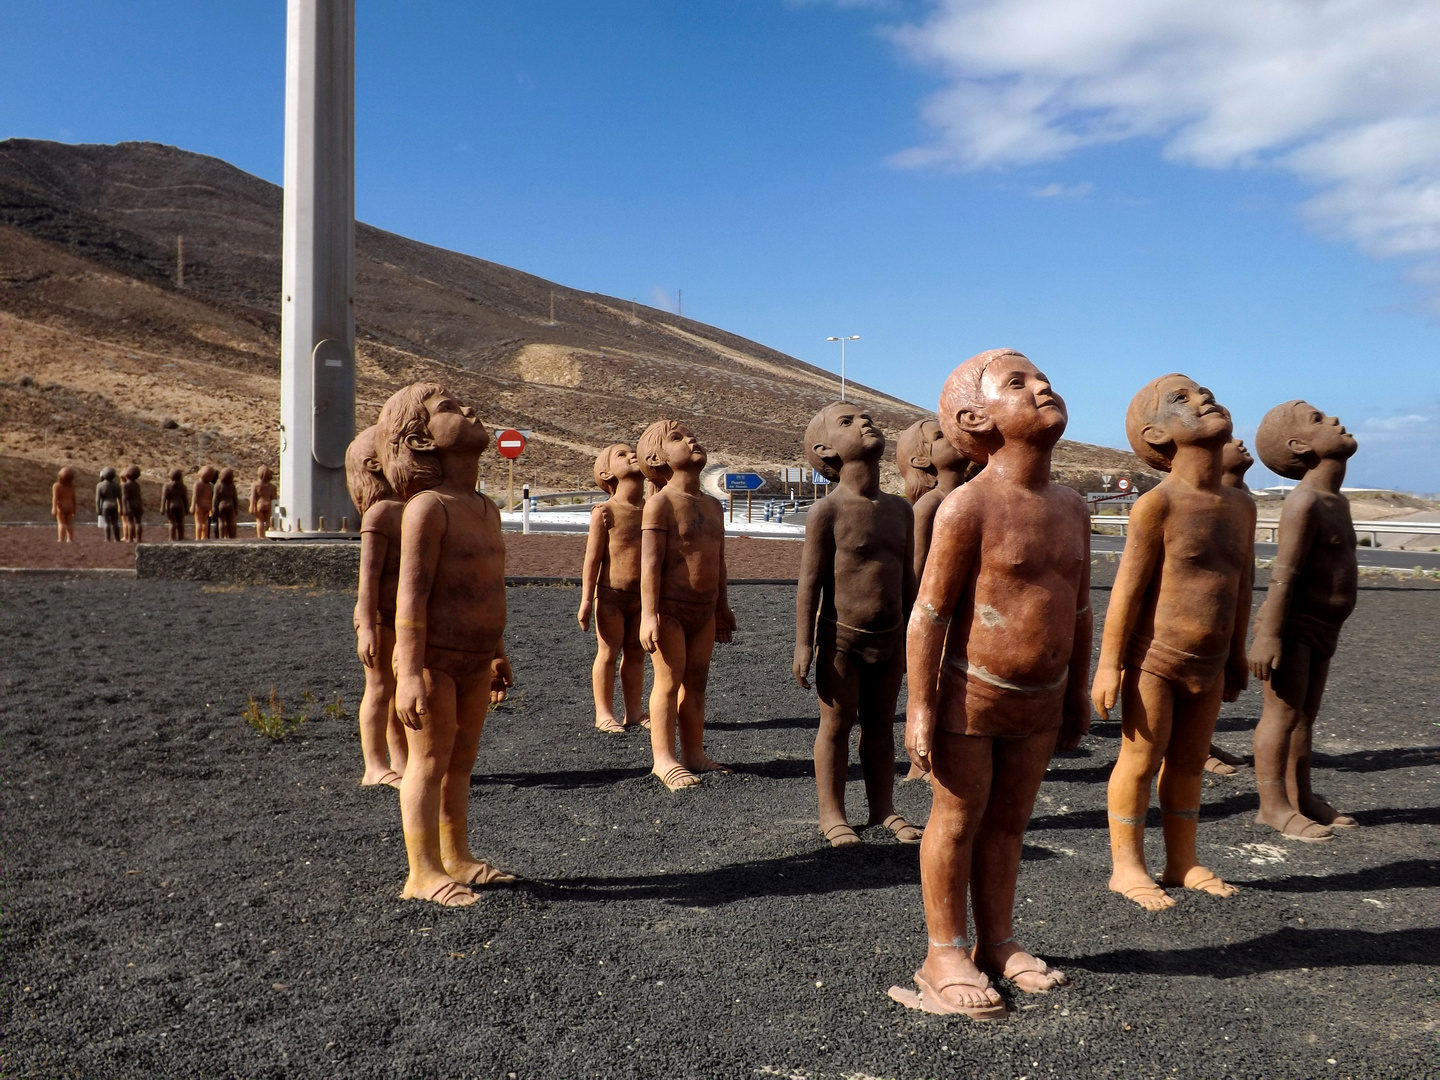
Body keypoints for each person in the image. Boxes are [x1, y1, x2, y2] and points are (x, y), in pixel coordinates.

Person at [891, 349, 1091, 1020]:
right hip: (971, 696)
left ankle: (998, 940)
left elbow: (1082, 606)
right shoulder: (965, 507)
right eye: (1019, 383)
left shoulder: (1073, 507)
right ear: (974, 417)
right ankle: (941, 952)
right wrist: (918, 706)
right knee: (954, 821)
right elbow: (929, 614)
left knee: (1009, 823)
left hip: (1042, 700)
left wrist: (1079, 689)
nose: (1043, 388)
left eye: (1044, 379)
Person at [1093, 374, 1254, 911]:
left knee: (1187, 763)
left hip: (1209, 663)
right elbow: (1127, 592)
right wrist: (1108, 664)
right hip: (1154, 660)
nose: (1203, 398)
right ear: (1156, 434)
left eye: (1204, 391)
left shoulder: (1241, 507)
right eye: (1181, 399)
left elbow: (1241, 585)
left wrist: (1236, 655)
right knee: (1139, 759)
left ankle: (1181, 859)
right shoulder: (1156, 506)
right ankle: (1127, 865)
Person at [379, 382, 514, 908]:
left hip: (477, 658)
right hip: (433, 660)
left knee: (462, 760)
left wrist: (499, 648)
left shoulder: (487, 508)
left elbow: (490, 587)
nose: (470, 409)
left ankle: (456, 856)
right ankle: (422, 871)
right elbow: (409, 600)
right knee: (427, 762)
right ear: (419, 438)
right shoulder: (426, 509)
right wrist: (408, 671)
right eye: (450, 408)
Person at [795, 403, 920, 847]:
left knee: (882, 724)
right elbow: (810, 584)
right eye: (848, 422)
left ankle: (883, 808)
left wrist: (915, 638)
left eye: (866, 418)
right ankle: (832, 813)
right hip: (839, 639)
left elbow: (909, 580)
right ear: (825, 449)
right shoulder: (826, 512)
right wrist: (803, 644)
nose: (865, 423)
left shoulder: (901, 510)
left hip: (890, 639)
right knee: (837, 723)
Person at [1248, 401, 1360, 842]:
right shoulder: (1305, 501)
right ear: (1300, 446)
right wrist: (1270, 633)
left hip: (1325, 628)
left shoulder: (1338, 501)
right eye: (1318, 420)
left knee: (1306, 716)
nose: (1334, 419)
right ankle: (1271, 806)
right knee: (1281, 714)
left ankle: (1302, 796)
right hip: (1293, 626)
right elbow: (1284, 572)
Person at [637, 419, 737, 791]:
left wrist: (722, 606)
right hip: (670, 611)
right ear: (656, 457)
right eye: (677, 438)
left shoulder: (713, 506)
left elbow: (719, 560)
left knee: (696, 683)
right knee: (667, 682)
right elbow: (650, 563)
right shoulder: (660, 505)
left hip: (704, 610)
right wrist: (648, 614)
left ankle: (693, 753)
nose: (690, 440)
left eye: (691, 434)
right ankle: (664, 759)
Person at [346, 425, 408, 789]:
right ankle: (374, 764)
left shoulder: (407, 507)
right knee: (379, 687)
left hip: (405, 618)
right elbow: (366, 580)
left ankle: (400, 759)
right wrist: (365, 624)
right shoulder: (381, 515)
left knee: (400, 688)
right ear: (373, 463)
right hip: (381, 616)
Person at [578, 443, 648, 733]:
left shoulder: (653, 509)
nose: (632, 454)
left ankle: (634, 711)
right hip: (610, 596)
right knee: (607, 653)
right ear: (606, 472)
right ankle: (604, 713)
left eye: (633, 451)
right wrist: (586, 600)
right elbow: (592, 559)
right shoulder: (605, 511)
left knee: (636, 653)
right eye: (622, 454)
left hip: (643, 598)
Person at [1205, 435, 1257, 776]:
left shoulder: (1244, 500)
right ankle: (1188, 750)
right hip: (1193, 615)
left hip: (1230, 605)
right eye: (1227, 439)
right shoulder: (1199, 500)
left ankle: (1203, 742)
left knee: (1219, 680)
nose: (1239, 441)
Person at [249, 465, 277, 538]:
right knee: (268, 521)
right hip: (268, 505)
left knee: (259, 521)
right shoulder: (272, 487)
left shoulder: (255, 485)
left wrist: (252, 506)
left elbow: (253, 497)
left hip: (259, 505)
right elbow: (274, 498)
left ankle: (260, 536)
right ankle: (269, 535)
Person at [95, 467, 122, 542]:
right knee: (115, 523)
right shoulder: (117, 486)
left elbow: (98, 499)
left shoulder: (100, 485)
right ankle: (117, 538)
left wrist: (98, 508)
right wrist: (121, 507)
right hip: (114, 504)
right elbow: (120, 498)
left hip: (105, 505)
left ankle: (107, 538)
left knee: (107, 523)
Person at [51, 466, 76, 542]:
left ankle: (61, 539)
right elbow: (74, 499)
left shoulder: (57, 486)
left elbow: (55, 498)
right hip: (70, 506)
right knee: (69, 524)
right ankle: (70, 539)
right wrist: (74, 509)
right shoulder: (71, 487)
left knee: (61, 523)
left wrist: (54, 508)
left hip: (61, 507)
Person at [191, 466, 216, 542]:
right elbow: (210, 497)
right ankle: (204, 537)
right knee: (205, 522)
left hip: (199, 506)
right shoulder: (209, 486)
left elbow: (195, 496)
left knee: (198, 522)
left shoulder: (197, 484)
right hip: (207, 505)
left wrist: (192, 506)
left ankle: (198, 537)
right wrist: (211, 508)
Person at [162, 469, 188, 540]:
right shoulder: (183, 487)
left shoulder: (167, 486)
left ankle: (172, 538)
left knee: (172, 523)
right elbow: (185, 499)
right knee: (180, 523)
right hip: (180, 505)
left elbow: (164, 498)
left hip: (171, 506)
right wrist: (186, 508)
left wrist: (162, 508)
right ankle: (181, 537)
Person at [120, 465, 143, 543]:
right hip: (138, 504)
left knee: (130, 522)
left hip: (130, 505)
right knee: (138, 522)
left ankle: (130, 538)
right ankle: (138, 538)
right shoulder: (137, 485)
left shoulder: (125, 485)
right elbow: (139, 496)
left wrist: (124, 508)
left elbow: (124, 497)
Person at [214, 468, 239, 539]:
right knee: (231, 522)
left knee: (221, 522)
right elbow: (235, 498)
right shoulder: (232, 486)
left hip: (221, 505)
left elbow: (215, 499)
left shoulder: (217, 486)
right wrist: (236, 508)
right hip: (230, 505)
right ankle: (232, 536)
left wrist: (214, 508)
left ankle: (222, 536)